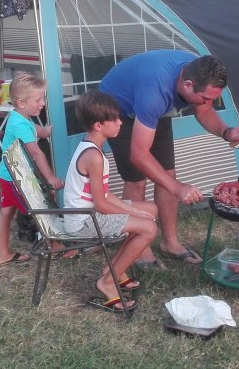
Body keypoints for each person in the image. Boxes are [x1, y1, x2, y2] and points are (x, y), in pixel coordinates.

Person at [99, 50, 239, 266]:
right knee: (137, 180)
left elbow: (204, 111)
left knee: (167, 174)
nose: (208, 102)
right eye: (206, 98)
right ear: (187, 85)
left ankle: (169, 242)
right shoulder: (155, 93)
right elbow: (139, 154)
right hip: (118, 107)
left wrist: (227, 132)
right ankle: (138, 247)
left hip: (151, 106)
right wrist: (179, 188)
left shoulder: (198, 72)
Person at [65, 92, 158, 313]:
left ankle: (113, 268)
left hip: (91, 212)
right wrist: (134, 214)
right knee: (149, 228)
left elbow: (105, 194)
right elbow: (101, 205)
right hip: (84, 222)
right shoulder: (94, 157)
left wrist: (134, 210)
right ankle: (107, 282)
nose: (120, 122)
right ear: (98, 126)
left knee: (150, 209)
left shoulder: (91, 147)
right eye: (114, 119)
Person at [0, 72, 64, 267]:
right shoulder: (20, 124)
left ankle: (2, 254)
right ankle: (54, 246)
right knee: (40, 207)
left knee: (6, 212)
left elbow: (35, 130)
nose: (42, 104)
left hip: (7, 174)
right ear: (21, 102)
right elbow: (36, 153)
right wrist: (50, 177)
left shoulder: (19, 117)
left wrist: (46, 131)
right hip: (15, 177)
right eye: (38, 100)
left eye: (43, 99)